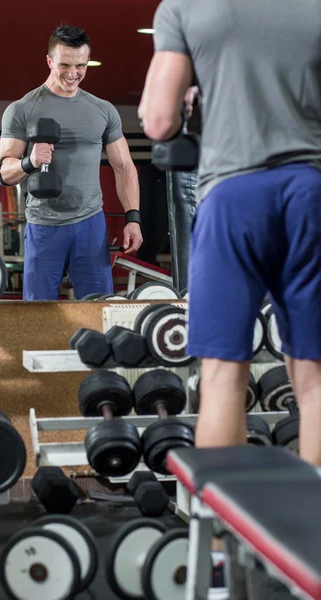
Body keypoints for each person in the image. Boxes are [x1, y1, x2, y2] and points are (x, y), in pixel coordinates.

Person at [139, 0, 321, 466]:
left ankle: (222, 539)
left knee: (222, 374)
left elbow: (159, 121)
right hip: (312, 195)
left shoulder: (184, 8)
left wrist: (188, 103)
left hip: (233, 197)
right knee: (317, 379)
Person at [0, 25, 143, 300]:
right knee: (38, 315)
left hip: (90, 223)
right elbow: (2, 172)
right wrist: (29, 162)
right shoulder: (23, 109)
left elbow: (124, 167)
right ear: (49, 61)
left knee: (100, 310)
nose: (73, 74)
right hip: (44, 224)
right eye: (64, 65)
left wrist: (133, 218)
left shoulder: (103, 110)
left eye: (81, 65)